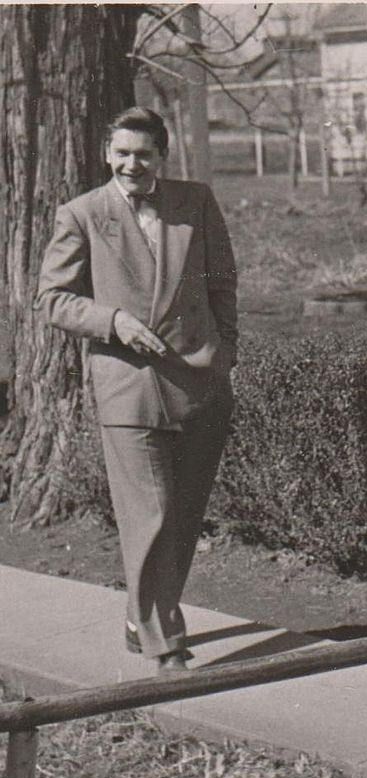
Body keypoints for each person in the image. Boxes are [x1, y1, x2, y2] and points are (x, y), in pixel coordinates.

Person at [36, 107, 238, 673]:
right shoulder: (82, 214)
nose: (132, 164)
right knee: (151, 515)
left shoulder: (196, 202)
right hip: (129, 385)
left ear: (162, 156)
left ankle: (139, 617)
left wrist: (226, 351)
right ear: (107, 154)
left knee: (184, 516)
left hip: (198, 379)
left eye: (143, 154)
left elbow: (222, 281)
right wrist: (114, 321)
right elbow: (51, 298)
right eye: (122, 152)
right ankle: (164, 643)